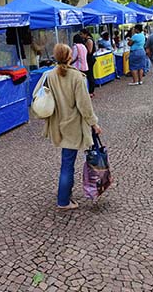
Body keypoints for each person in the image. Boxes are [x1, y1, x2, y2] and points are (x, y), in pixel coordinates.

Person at [33, 43, 102, 210]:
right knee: (68, 163)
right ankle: (63, 199)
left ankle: (66, 195)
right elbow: (84, 105)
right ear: (70, 57)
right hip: (73, 125)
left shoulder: (49, 75)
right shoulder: (77, 77)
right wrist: (94, 123)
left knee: (67, 161)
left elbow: (37, 95)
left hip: (58, 123)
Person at [79, 28, 96, 97]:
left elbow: (89, 51)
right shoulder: (87, 40)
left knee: (90, 75)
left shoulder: (89, 40)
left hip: (89, 59)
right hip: (88, 59)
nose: (81, 36)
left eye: (81, 34)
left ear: (85, 34)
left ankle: (91, 91)